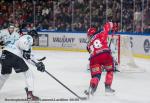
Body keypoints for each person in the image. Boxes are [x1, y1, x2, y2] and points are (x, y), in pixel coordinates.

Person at [0, 25, 45, 100]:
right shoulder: (28, 37)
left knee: (4, 76)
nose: (36, 40)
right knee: (28, 73)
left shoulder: (20, 38)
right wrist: (36, 62)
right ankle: (30, 95)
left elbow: (28, 57)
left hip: (4, 55)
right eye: (35, 38)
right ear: (33, 36)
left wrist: (37, 64)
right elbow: (25, 51)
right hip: (14, 56)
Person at [85, 22, 118, 96]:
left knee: (96, 75)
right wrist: (113, 25)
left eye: (88, 35)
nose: (88, 37)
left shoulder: (88, 45)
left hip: (94, 58)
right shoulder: (101, 33)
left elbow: (92, 51)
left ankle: (91, 89)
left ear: (90, 35)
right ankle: (108, 88)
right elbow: (107, 25)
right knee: (110, 70)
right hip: (106, 55)